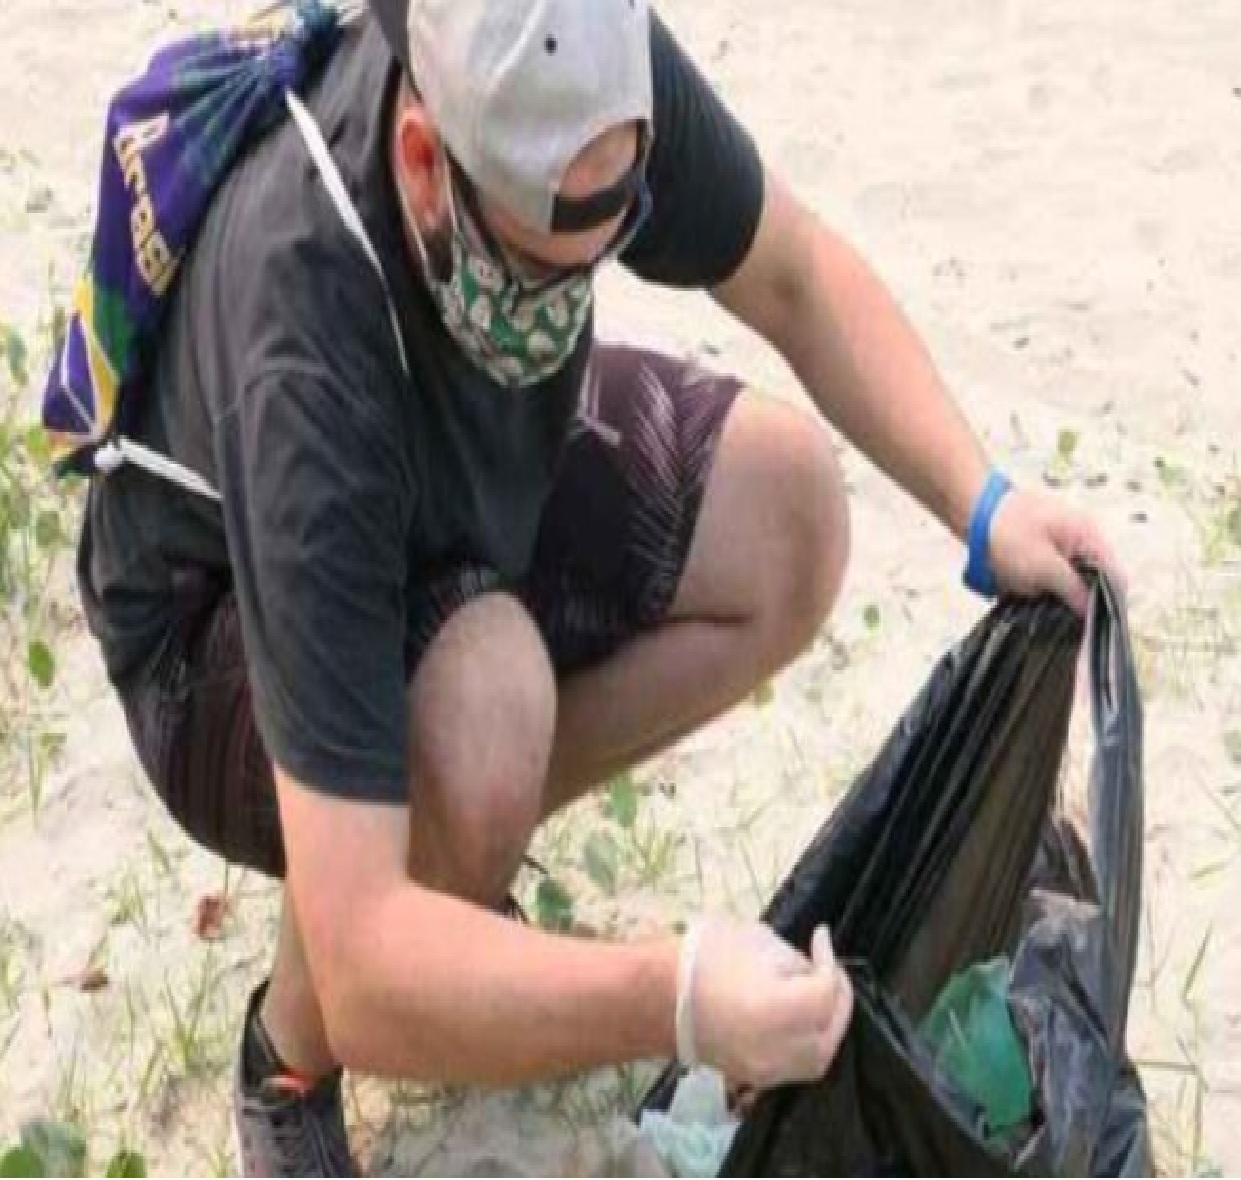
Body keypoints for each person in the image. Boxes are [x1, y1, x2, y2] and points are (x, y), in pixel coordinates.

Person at [75, 0, 1121, 1173]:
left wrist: (983, 505)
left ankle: (455, 903)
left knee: (786, 514)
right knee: (484, 714)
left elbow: (789, 272)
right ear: (425, 161)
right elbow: (371, 972)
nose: (559, 307)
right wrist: (672, 997)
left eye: (596, 261)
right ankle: (284, 1051)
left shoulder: (575, 60)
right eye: (533, 272)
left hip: (453, 472)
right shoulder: (305, 342)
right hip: (212, 622)